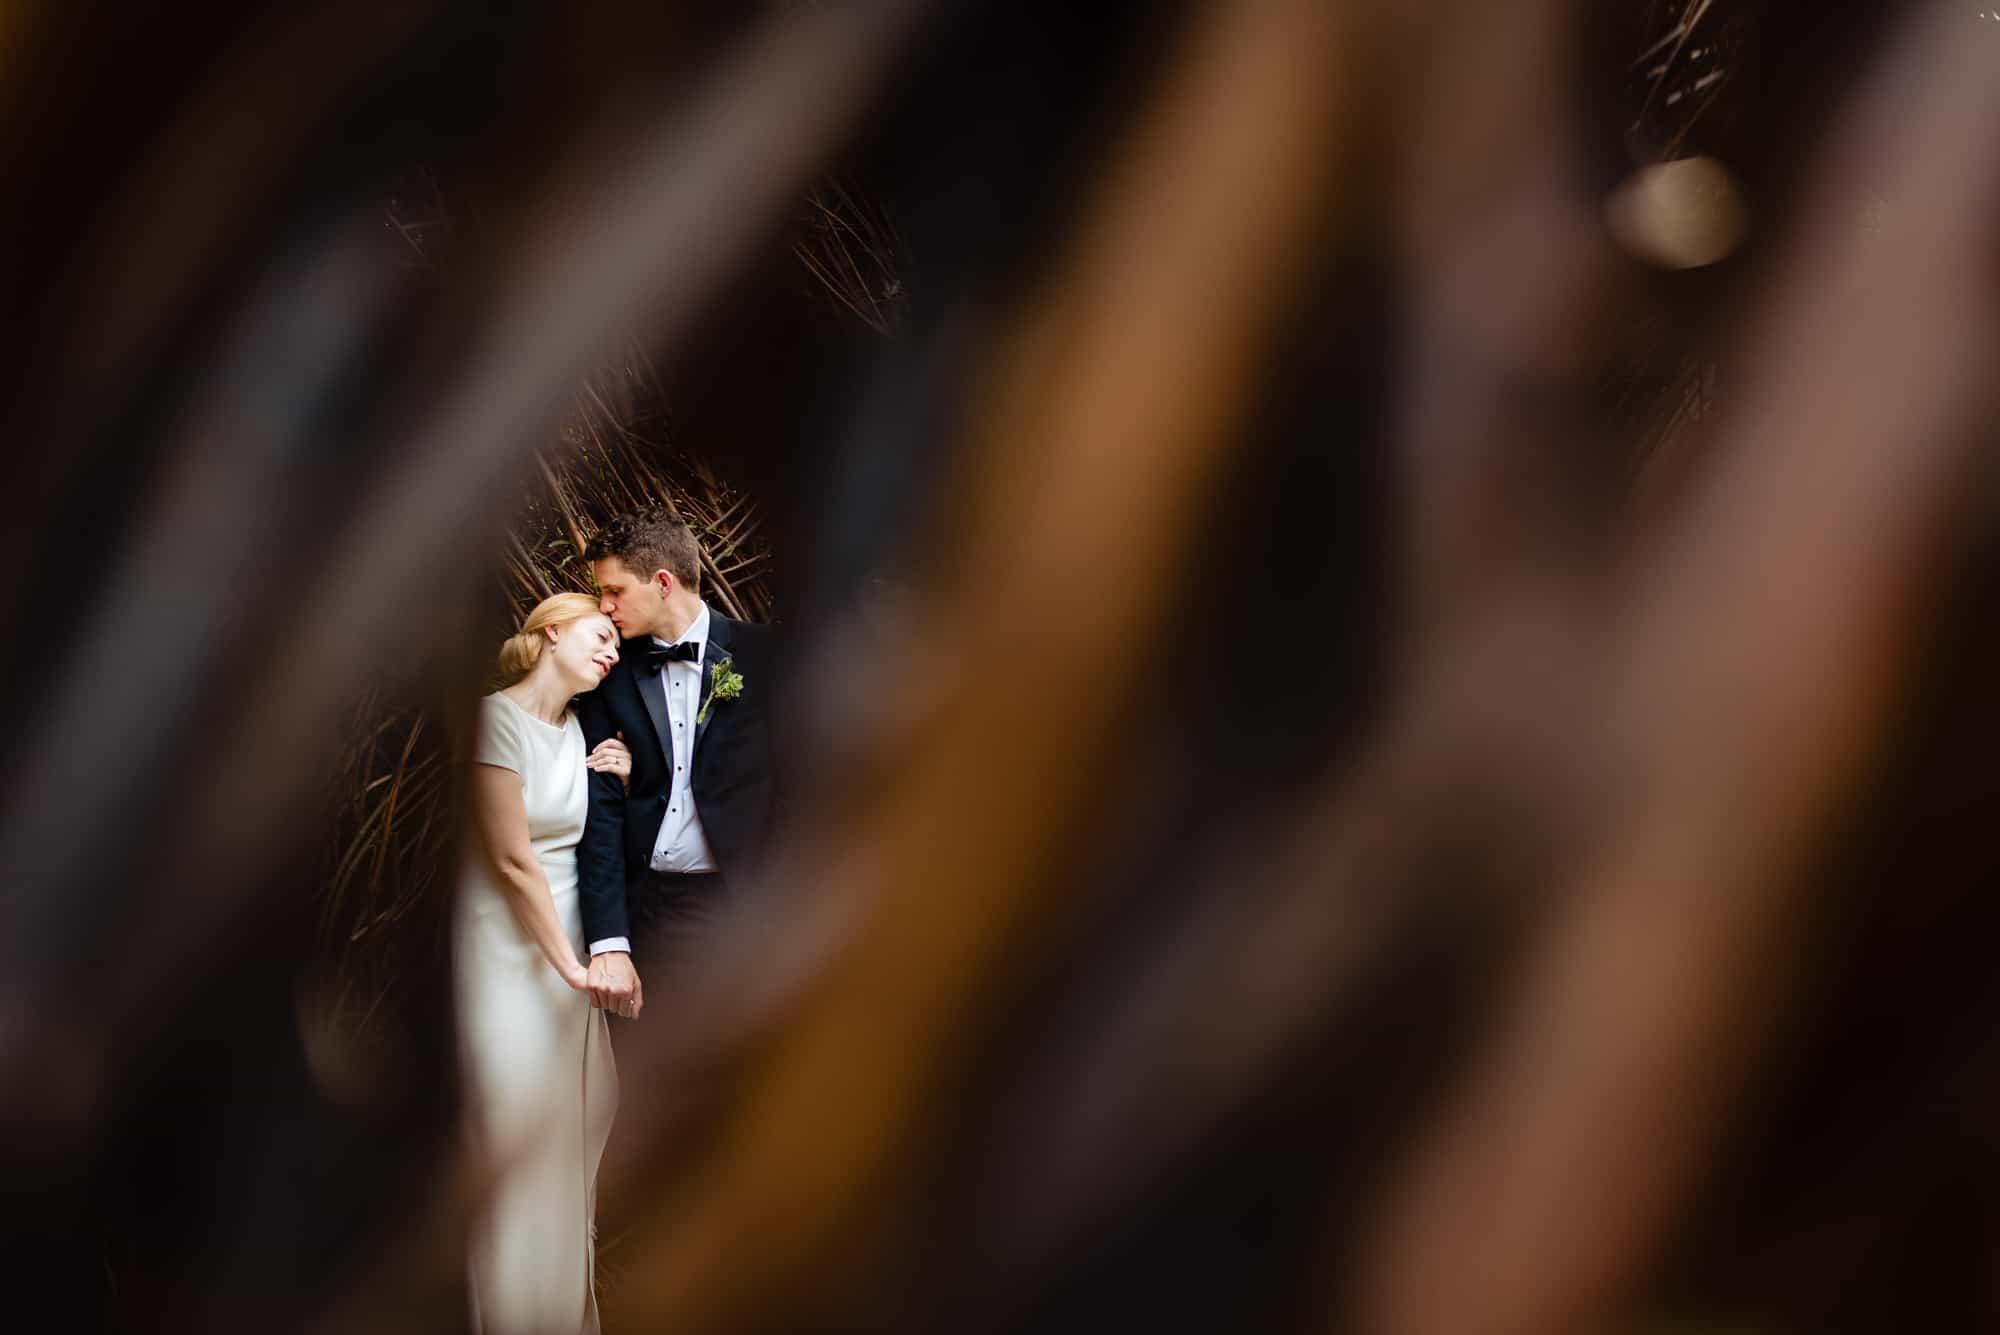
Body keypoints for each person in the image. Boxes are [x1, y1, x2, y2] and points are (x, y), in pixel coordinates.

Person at [457, 591, 633, 1334]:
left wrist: (617, 774)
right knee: (511, 1128)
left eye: (617, 646)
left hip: (565, 955)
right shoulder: (493, 721)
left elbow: (591, 842)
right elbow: (512, 859)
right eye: (600, 634)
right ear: (553, 630)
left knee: (579, 1124)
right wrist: (572, 967)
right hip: (505, 950)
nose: (612, 650)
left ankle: (559, 1313)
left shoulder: (580, 731)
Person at [573, 506, 785, 1019]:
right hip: (648, 910)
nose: (604, 608)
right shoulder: (612, 673)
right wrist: (609, 942)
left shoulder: (771, 659)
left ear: (663, 582)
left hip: (743, 912)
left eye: (615, 591)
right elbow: (599, 812)